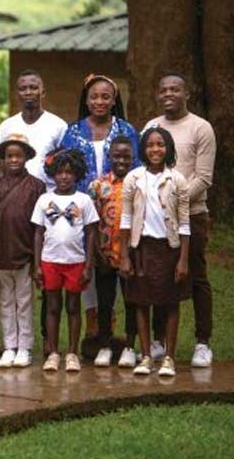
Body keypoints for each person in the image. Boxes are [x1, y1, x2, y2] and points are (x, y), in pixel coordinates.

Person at [60, 74, 140, 343]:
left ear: (114, 99)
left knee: (113, 265)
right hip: (79, 210)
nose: (99, 101)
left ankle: (111, 328)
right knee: (87, 265)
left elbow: (136, 169)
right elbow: (64, 168)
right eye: (94, 96)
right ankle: (92, 328)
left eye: (105, 96)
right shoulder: (72, 131)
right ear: (86, 100)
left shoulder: (126, 130)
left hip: (115, 212)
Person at [143, 72, 216, 368]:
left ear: (187, 93)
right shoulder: (152, 127)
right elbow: (145, 169)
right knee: (160, 277)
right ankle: (158, 341)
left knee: (196, 276)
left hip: (192, 216)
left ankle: (203, 342)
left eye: (175, 89)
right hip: (156, 218)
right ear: (157, 95)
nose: (168, 94)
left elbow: (204, 177)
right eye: (163, 90)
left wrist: (175, 201)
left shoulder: (201, 128)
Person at [121, 127, 190, 377]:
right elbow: (126, 219)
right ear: (143, 149)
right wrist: (125, 255)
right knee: (141, 302)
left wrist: (183, 259)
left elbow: (184, 223)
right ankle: (146, 356)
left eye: (160, 144)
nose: (155, 149)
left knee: (170, 302)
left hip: (169, 248)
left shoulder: (177, 180)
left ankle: (169, 358)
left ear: (168, 148)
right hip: (141, 248)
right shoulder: (134, 178)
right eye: (150, 145)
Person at [32, 148, 98, 373]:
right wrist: (37, 265)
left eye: (69, 172)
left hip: (76, 261)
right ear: (52, 173)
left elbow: (91, 233)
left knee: (73, 306)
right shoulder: (44, 200)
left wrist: (88, 265)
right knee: (52, 307)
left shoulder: (84, 200)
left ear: (77, 173)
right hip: (50, 261)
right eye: (59, 172)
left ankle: (72, 353)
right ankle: (52, 352)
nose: (64, 177)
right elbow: (38, 233)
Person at [0, 134, 45, 369]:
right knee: (5, 302)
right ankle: (9, 346)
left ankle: (25, 347)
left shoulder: (36, 187)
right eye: (9, 156)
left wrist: (37, 259)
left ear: (27, 157)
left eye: (18, 156)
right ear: (2, 158)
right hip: (1, 253)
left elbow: (40, 226)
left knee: (24, 301)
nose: (13, 160)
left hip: (25, 253)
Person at [87, 135, 138, 368]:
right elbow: (91, 223)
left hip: (131, 256)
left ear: (133, 157)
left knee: (132, 301)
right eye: (117, 156)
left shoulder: (138, 184)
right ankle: (105, 345)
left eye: (126, 156)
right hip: (105, 255)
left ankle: (129, 346)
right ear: (109, 156)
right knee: (105, 303)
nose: (121, 161)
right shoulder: (98, 186)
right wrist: (97, 253)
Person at [0, 70, 67, 188]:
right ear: (17, 94)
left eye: (33, 88)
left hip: (48, 193)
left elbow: (66, 164)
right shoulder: (6, 126)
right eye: (23, 89)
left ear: (43, 92)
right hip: (14, 194)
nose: (28, 92)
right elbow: (0, 165)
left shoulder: (59, 126)